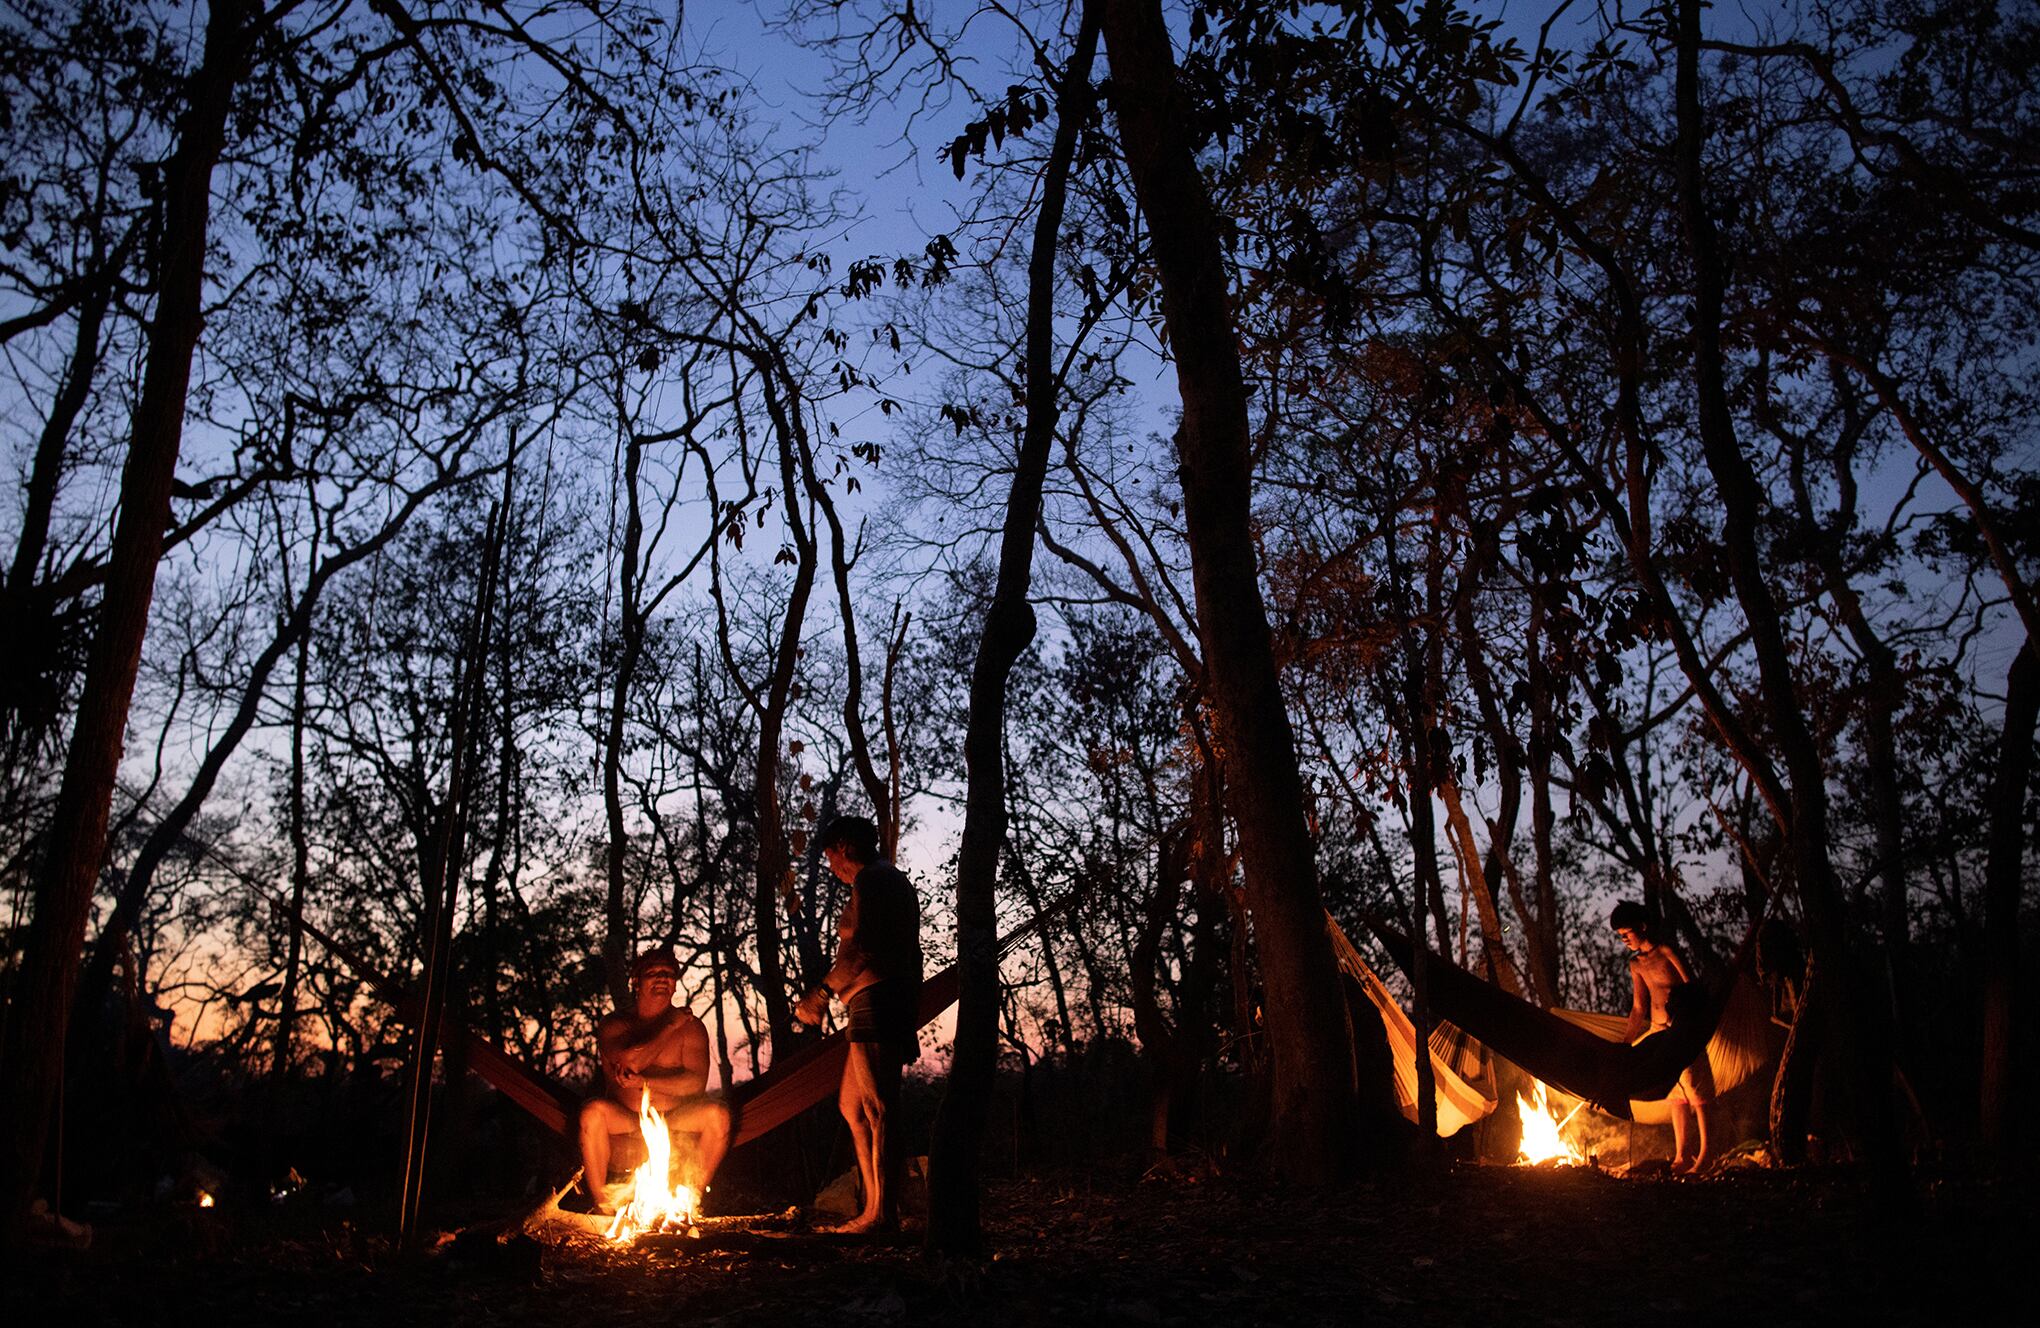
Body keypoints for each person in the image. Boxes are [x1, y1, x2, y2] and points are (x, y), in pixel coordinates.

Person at [794, 814, 924, 1234]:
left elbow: (862, 951)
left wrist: (820, 994)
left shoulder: (876, 879)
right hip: (870, 1000)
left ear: (845, 847)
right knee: (852, 1106)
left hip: (880, 998)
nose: (830, 864)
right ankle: (873, 1207)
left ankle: (883, 1215)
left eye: (830, 854)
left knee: (879, 1106)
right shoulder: (875, 882)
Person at [579, 946, 732, 1213]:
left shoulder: (693, 1029)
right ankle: (603, 1208)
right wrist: (669, 1026)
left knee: (718, 1116)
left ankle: (687, 1205)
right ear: (636, 981)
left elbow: (695, 1083)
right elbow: (629, 1062)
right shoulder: (615, 1024)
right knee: (592, 1113)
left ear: (675, 985)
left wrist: (646, 1084)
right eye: (653, 973)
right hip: (625, 1117)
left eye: (669, 974)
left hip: (676, 1117)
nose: (663, 978)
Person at [1612, 900, 1717, 1174]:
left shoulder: (1667, 952)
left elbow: (1692, 988)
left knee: (1696, 1089)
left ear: (1642, 927)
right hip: (1658, 1031)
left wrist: (1688, 1023)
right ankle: (1683, 1155)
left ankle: (1706, 1154)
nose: (1623, 940)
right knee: (1674, 1092)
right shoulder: (1636, 965)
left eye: (1626, 933)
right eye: (1620, 936)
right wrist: (1626, 1042)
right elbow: (1638, 1007)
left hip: (1683, 1029)